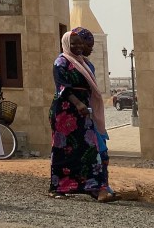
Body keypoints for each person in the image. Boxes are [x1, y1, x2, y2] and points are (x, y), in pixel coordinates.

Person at [49, 29, 112, 201]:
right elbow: (63, 87)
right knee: (64, 149)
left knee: (89, 149)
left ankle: (93, 187)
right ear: (67, 44)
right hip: (66, 112)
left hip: (84, 113)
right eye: (74, 43)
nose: (78, 46)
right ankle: (58, 187)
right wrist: (78, 103)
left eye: (80, 43)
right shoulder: (61, 62)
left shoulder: (83, 63)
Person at [75, 28, 116, 199]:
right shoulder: (66, 63)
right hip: (77, 115)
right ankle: (96, 187)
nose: (91, 49)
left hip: (92, 113)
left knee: (102, 152)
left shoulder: (87, 64)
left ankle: (102, 186)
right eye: (88, 45)